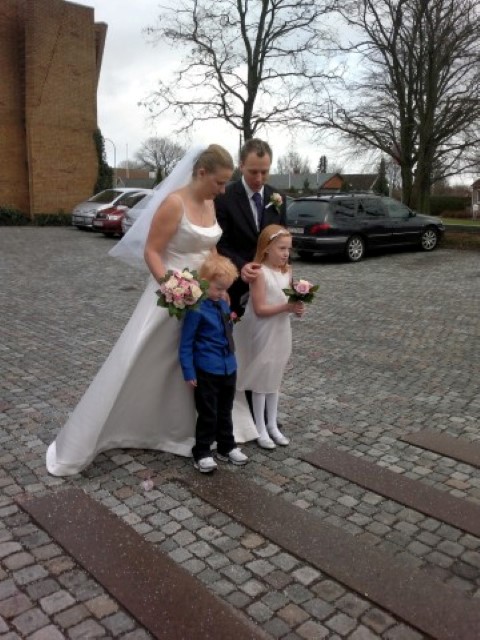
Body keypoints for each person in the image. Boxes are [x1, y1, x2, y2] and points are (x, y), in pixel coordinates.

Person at [46, 144, 257, 477]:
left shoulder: (210, 203)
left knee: (204, 357)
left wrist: (222, 285)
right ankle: (142, 424)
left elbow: (211, 248)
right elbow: (152, 252)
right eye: (219, 182)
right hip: (173, 293)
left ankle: (202, 430)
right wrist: (172, 289)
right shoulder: (173, 203)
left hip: (207, 293)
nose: (222, 190)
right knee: (147, 358)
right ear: (201, 172)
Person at [234, 225, 305, 449]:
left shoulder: (287, 271)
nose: (286, 253)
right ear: (266, 248)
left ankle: (272, 424)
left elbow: (288, 300)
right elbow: (260, 308)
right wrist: (287, 307)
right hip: (263, 329)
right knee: (261, 375)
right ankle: (260, 426)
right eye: (281, 248)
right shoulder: (260, 273)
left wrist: (297, 307)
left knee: (275, 375)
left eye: (288, 249)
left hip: (281, 328)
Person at [179, 254, 248, 473]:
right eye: (218, 288)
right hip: (207, 368)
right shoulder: (196, 309)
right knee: (208, 412)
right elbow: (186, 343)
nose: (222, 293)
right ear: (204, 282)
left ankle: (226, 446)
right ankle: (202, 451)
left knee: (226, 410)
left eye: (225, 289)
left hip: (228, 366)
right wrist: (189, 371)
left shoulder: (223, 304)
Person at [215, 138, 287, 316]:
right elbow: (220, 244)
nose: (259, 178)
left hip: (271, 288)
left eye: (264, 172)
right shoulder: (224, 197)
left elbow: (284, 241)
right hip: (236, 286)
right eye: (253, 172)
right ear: (241, 165)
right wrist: (242, 266)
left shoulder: (278, 197)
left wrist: (287, 280)